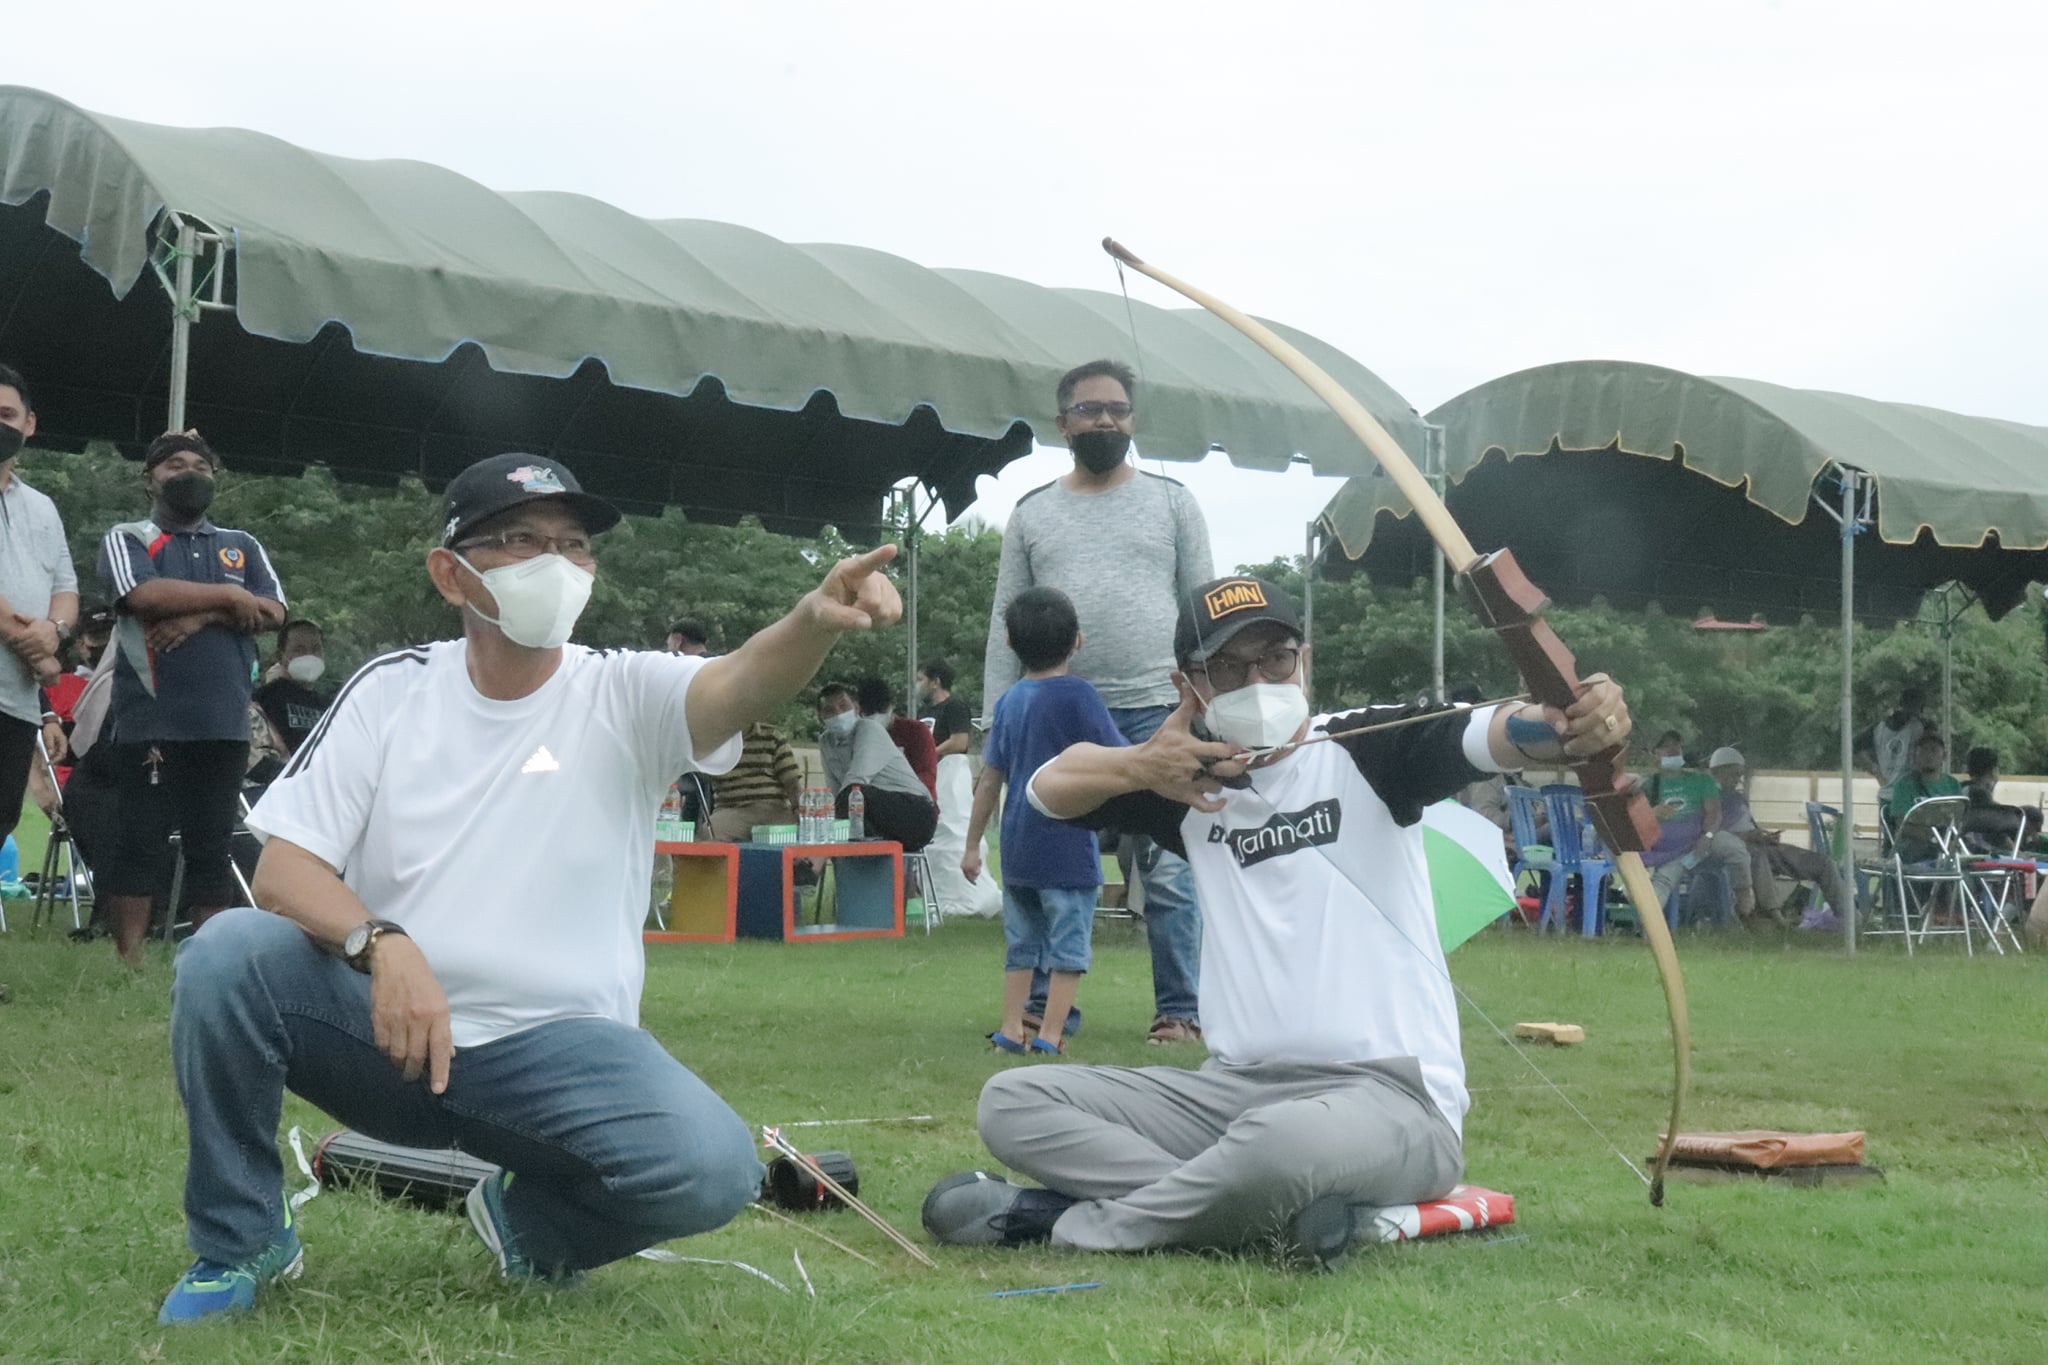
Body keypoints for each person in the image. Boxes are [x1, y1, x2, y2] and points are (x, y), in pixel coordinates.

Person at [155, 451, 903, 1324]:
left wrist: (813, 620)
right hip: (384, 1031)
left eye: (574, 544)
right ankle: (241, 1238)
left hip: (561, 1053)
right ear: (451, 572)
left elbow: (739, 681)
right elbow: (283, 870)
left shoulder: (626, 692)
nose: (557, 563)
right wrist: (381, 944)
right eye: (520, 539)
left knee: (714, 1167)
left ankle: (528, 1227)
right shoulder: (390, 693)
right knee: (225, 954)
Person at [921, 575, 1632, 1266]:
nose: (1256, 679)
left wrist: (1567, 723)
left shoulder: (1365, 747)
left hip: (1392, 1102)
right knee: (1014, 1099)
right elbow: (1047, 788)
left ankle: (1061, 1221)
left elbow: (1494, 731)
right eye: (1226, 667)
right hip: (1233, 1091)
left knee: (1279, 1148)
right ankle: (1256, 1204)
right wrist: (1141, 763)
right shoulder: (1187, 782)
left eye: (1275, 658)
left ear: (1305, 662)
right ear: (1187, 689)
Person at [982, 359, 1213, 1044]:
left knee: (1170, 870)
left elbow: (1203, 612)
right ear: (1063, 424)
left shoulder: (1175, 502)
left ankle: (1179, 1009)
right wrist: (999, 716)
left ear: (1133, 419)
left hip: (1155, 712)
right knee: (1047, 869)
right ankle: (1046, 1011)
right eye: (1089, 410)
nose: (1105, 420)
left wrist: (1208, 705)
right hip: (1053, 721)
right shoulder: (1032, 513)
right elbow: (1006, 620)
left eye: (1117, 409)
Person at [97, 430, 285, 964]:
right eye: (174, 464)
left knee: (211, 845)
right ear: (149, 477)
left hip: (224, 720)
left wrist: (202, 614)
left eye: (200, 465)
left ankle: (209, 958)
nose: (188, 473)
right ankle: (128, 959)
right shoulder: (129, 536)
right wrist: (230, 597)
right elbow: (141, 594)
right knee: (140, 841)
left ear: (215, 477)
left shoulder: (241, 544)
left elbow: (275, 611)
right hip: (152, 718)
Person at [963, 588, 1121, 1054]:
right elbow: (1118, 758)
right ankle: (1051, 1035)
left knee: (1022, 944)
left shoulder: (1009, 703)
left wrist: (973, 845)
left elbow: (990, 780)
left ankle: (1012, 1029)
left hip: (1018, 846)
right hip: (1069, 846)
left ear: (1009, 642)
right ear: (1078, 640)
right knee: (1067, 947)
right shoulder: (1081, 697)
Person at [0, 366, 78, 839]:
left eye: (7, 414)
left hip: (16, 700)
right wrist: (33, 645)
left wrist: (56, 632)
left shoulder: (42, 506)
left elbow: (65, 586)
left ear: (29, 424)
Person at [1707, 746, 1848, 931]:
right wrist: (1749, 837)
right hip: (1740, 849)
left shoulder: (1738, 797)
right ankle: (1775, 915)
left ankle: (1849, 917)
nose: (1737, 780)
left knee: (1822, 863)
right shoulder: (1709, 798)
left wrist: (1763, 835)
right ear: (1716, 772)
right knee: (1758, 856)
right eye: (1733, 775)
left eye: (1739, 775)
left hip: (1761, 844)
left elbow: (1749, 826)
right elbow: (1711, 835)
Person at [1639, 730, 1752, 923]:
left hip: (1705, 839)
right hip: (1673, 852)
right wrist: (1653, 813)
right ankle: (1649, 929)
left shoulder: (1701, 781)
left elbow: (1714, 813)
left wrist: (1707, 837)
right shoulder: (1649, 786)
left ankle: (1745, 901)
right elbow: (1635, 823)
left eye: (1678, 746)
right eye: (1666, 746)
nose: (1674, 750)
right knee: (1663, 881)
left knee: (1734, 849)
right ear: (1653, 754)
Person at [817, 682, 937, 851]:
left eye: (843, 706)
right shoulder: (826, 741)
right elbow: (834, 790)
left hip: (915, 812)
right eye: (829, 710)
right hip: (873, 814)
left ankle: (812, 865)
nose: (838, 713)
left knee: (852, 795)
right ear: (820, 717)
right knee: (840, 816)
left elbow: (856, 782)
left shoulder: (869, 729)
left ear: (857, 708)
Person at [250, 620, 332, 778]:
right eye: (299, 650)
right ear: (281, 656)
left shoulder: (331, 706)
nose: (309, 656)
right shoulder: (264, 698)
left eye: (316, 649)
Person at [707, 718, 801, 842]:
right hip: (731, 811)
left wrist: (798, 808)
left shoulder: (773, 736)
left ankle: (805, 862)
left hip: (774, 810)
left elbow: (792, 782)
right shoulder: (714, 740)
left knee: (816, 832)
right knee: (707, 834)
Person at [858, 675, 937, 800]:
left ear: (891, 706)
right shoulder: (860, 735)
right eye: (869, 712)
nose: (875, 716)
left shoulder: (916, 731)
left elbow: (928, 774)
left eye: (881, 710)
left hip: (915, 801)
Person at [1885, 734, 1963, 861]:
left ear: (1944, 756)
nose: (1929, 755)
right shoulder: (1904, 785)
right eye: (1923, 751)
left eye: (1933, 750)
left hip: (1946, 840)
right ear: (1915, 757)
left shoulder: (1952, 784)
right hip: (1914, 846)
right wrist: (1935, 839)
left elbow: (1959, 819)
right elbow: (1902, 825)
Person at [1960, 746, 2041, 853]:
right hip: (1977, 852)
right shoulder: (1980, 794)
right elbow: (1995, 833)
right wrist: (2019, 856)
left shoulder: (1961, 789)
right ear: (1993, 771)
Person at [1858, 687, 1928, 801]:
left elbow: (1856, 747)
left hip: (1892, 792)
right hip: (1910, 795)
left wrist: (1875, 771)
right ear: (1922, 707)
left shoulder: (1878, 727)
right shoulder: (1922, 726)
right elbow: (1855, 747)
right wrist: (1876, 771)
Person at [916, 659, 974, 760]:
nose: (917, 685)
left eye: (920, 679)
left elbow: (959, 742)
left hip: (949, 771)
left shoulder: (955, 707)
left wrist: (929, 754)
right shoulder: (923, 711)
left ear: (935, 682)